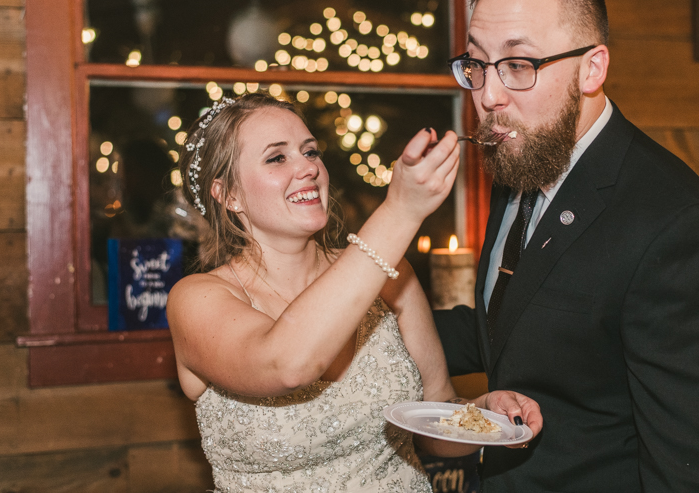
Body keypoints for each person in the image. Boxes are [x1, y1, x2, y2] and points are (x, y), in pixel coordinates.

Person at [434, 0, 699, 491]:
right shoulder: (526, 155)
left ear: (591, 68)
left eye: (517, 64)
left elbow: (697, 471)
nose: (488, 95)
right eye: (478, 65)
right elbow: (508, 325)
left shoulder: (676, 226)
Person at [167, 92, 543, 492]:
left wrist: (481, 414)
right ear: (229, 195)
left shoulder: (393, 276)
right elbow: (287, 364)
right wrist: (399, 211)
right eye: (277, 158)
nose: (307, 168)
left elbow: (436, 427)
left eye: (310, 151)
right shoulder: (196, 299)